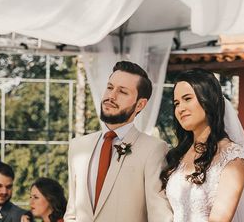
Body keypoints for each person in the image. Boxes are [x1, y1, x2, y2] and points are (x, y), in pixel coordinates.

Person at [64, 61, 172, 222]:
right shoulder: (78, 146)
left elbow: (160, 216)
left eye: (122, 92)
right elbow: (72, 212)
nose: (111, 96)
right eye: (109, 87)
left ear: (140, 104)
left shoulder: (154, 149)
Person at [161, 68, 244, 222]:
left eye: (187, 99)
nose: (180, 108)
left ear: (208, 99)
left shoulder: (232, 157)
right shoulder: (178, 155)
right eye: (176, 103)